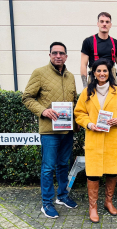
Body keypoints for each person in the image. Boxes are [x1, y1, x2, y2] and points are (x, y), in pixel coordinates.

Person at [22, 42, 78, 219]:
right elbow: (27, 98)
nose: (58, 56)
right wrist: (43, 111)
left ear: (66, 56)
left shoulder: (70, 76)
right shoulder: (39, 73)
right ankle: (46, 203)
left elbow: (74, 101)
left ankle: (62, 196)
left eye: (61, 53)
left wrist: (75, 122)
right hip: (49, 131)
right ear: (50, 55)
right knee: (48, 168)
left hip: (67, 131)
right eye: (55, 53)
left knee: (63, 165)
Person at [74, 58, 117, 223]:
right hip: (94, 138)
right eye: (98, 71)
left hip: (112, 138)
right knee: (92, 174)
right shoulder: (86, 92)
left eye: (105, 70)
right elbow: (79, 113)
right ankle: (93, 207)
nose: (102, 73)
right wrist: (89, 124)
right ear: (93, 73)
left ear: (109, 73)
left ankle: (108, 201)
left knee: (112, 171)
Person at [80, 12, 117, 87]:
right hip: (94, 80)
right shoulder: (88, 41)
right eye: (102, 21)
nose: (104, 24)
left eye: (107, 22)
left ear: (110, 25)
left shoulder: (115, 42)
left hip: (111, 79)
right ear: (98, 24)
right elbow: (83, 64)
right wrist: (85, 86)